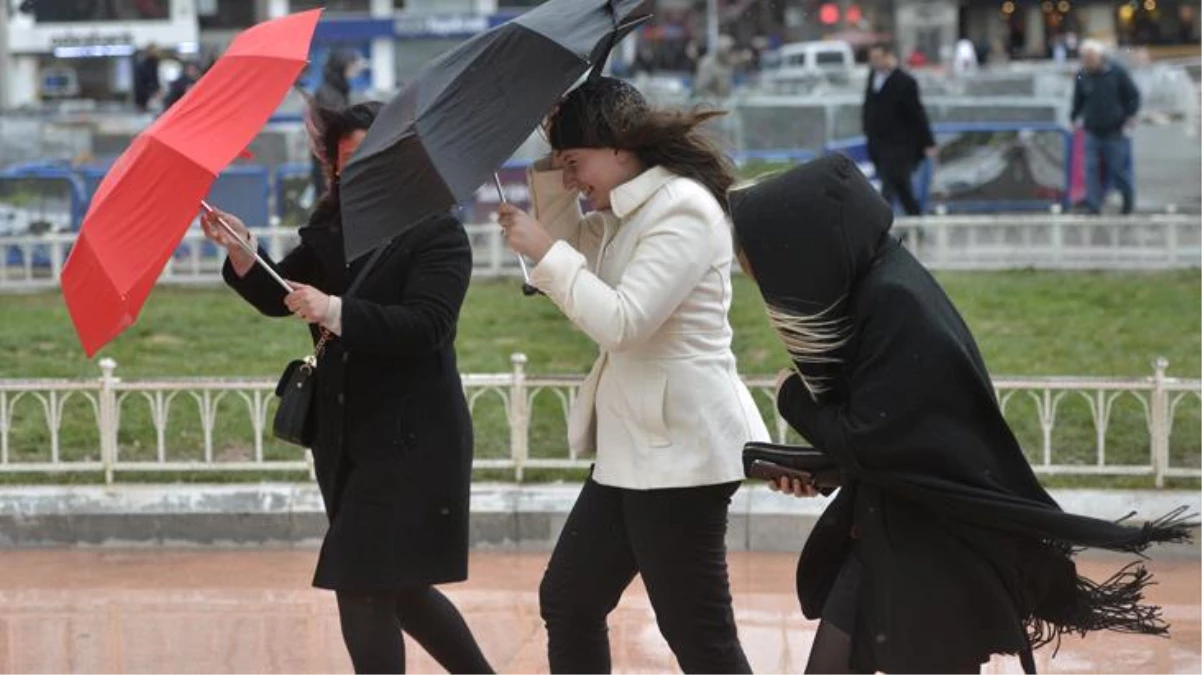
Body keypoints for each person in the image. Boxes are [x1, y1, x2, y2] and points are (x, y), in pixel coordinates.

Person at [729, 154, 1195, 675]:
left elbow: (872, 440)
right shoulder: (879, 286)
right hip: (891, 537)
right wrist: (820, 473)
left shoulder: (894, 303)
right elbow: (901, 442)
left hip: (934, 558)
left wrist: (792, 397)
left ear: (807, 254)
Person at [200, 101, 493, 675]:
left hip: (412, 441)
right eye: (345, 160)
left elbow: (428, 326)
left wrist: (334, 309)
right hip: (345, 438)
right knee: (399, 589)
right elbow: (280, 294)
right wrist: (242, 249)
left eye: (371, 154)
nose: (357, 169)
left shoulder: (437, 232)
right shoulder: (334, 230)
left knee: (359, 583)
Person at [496, 77, 769, 674]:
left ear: (619, 147)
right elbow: (572, 251)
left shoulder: (682, 208)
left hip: (682, 452)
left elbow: (623, 321)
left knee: (699, 638)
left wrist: (545, 252)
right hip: (636, 450)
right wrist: (552, 169)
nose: (572, 181)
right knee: (569, 600)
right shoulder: (628, 209)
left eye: (575, 164)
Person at [862, 41, 936, 216]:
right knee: (902, 188)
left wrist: (928, 142)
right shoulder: (873, 78)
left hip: (900, 145)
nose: (874, 62)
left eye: (878, 58)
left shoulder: (905, 82)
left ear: (888, 56)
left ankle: (880, 222)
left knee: (889, 185)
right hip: (879, 143)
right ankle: (916, 219)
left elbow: (917, 114)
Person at [1071, 40, 1140, 215]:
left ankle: (1128, 203)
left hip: (1114, 129)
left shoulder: (1117, 72)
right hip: (1092, 129)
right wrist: (1073, 117)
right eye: (1085, 58)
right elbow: (1078, 99)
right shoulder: (1081, 75)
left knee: (1118, 169)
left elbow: (1132, 95)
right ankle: (1094, 206)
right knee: (1090, 170)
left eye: (1091, 58)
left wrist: (1130, 114)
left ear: (1100, 57)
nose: (1088, 62)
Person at [310, 50, 358, 197]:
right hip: (330, 157)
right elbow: (336, 123)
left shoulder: (337, 89)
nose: (356, 68)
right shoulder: (329, 93)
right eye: (352, 64)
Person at [133, 44, 163, 112]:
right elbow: (140, 83)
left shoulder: (155, 64)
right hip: (146, 96)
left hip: (153, 95)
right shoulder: (143, 65)